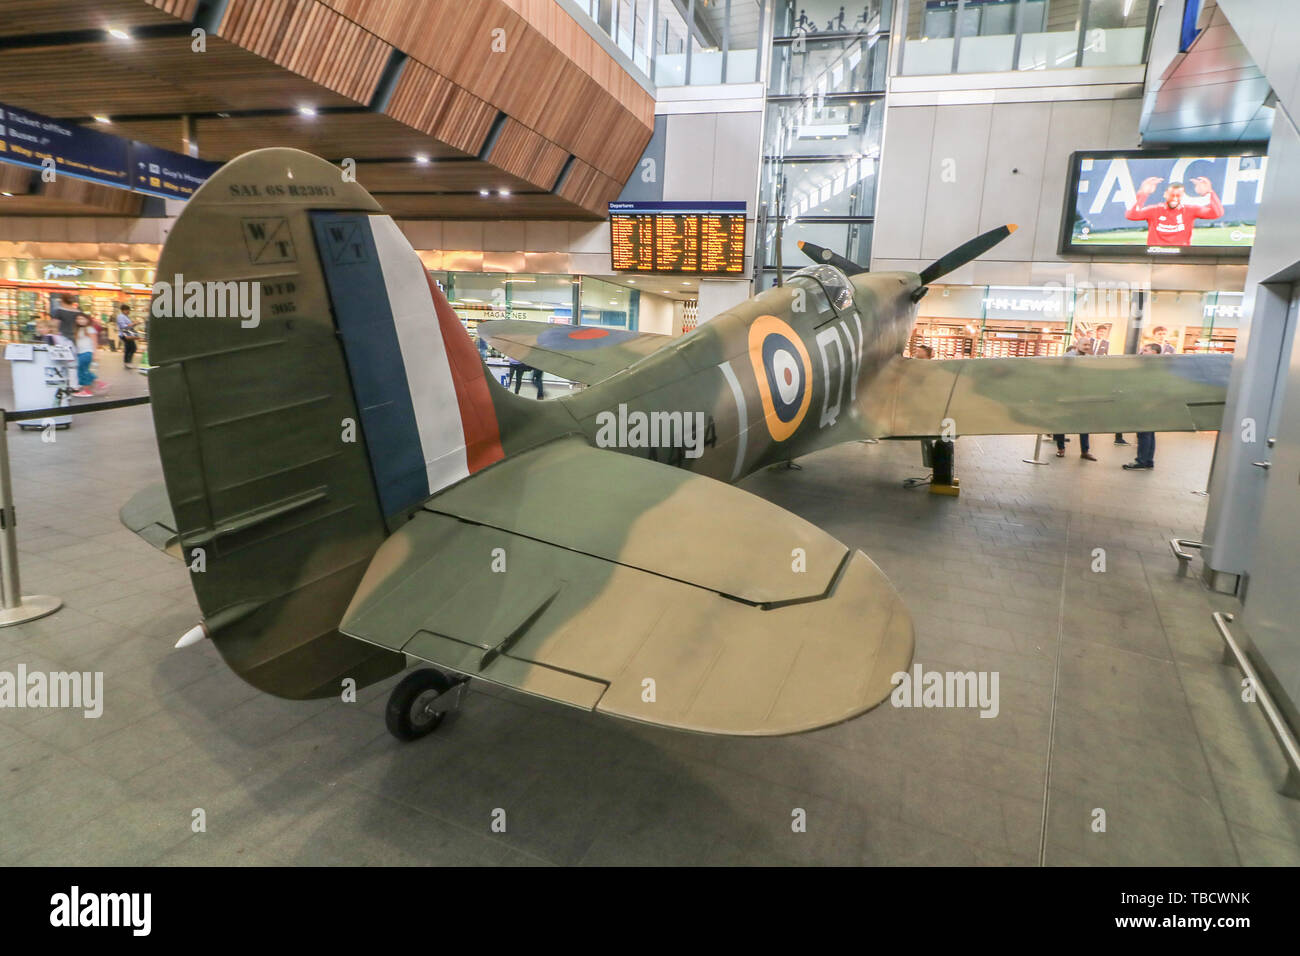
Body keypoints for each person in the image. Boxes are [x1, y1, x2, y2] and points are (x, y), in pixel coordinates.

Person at [1125, 175, 1223, 247]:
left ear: (1183, 196)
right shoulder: (1154, 210)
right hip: (1155, 257)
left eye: (1178, 195)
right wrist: (1143, 193)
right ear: (1165, 195)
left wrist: (1210, 192)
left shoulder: (1190, 210)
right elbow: (1131, 215)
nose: (1175, 198)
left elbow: (1217, 213)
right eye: (1172, 195)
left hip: (1181, 258)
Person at [1123, 344, 1164, 470]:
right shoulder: (1158, 367)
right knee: (1150, 432)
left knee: (1143, 432)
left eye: (1145, 350)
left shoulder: (1150, 368)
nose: (1142, 352)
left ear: (1155, 353)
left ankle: (1141, 461)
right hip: (1153, 404)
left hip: (1146, 403)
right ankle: (1148, 460)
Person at [1054, 339, 1096, 460]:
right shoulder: (1067, 357)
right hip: (1067, 393)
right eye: (1084, 344)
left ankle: (1085, 451)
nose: (1087, 346)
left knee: (1084, 423)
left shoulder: (1089, 358)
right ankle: (1061, 449)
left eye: (1088, 345)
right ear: (1077, 345)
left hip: (1082, 394)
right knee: (1061, 421)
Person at [71, 314, 109, 397]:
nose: (80, 320)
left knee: (82, 371)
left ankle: (86, 390)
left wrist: (95, 353)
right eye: (78, 319)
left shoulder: (90, 329)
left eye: (82, 319)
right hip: (80, 353)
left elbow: (94, 342)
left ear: (87, 320)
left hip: (87, 352)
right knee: (84, 370)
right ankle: (99, 383)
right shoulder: (79, 329)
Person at [116, 302, 138, 367]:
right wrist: (133, 324)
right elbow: (123, 326)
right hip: (124, 334)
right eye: (127, 310)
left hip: (128, 334)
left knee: (129, 348)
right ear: (123, 310)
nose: (129, 311)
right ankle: (128, 362)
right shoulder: (120, 316)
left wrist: (134, 324)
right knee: (132, 348)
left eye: (129, 310)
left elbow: (129, 326)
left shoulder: (125, 316)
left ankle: (127, 362)